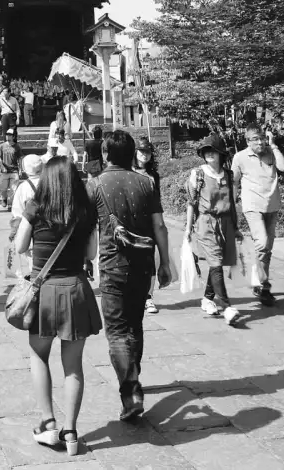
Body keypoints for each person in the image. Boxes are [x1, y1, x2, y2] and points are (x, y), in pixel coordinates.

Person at [13, 157, 100, 455]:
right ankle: (71, 432)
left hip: (43, 291)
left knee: (39, 355)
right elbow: (92, 252)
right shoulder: (85, 210)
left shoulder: (36, 207)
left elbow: (20, 246)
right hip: (75, 289)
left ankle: (48, 424)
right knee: (73, 366)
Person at [88, 129, 171, 421]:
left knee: (117, 332)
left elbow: (87, 229)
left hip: (112, 266)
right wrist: (166, 263)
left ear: (106, 154)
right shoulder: (146, 183)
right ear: (132, 153)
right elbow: (160, 226)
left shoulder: (95, 185)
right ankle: (133, 378)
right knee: (135, 326)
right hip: (143, 264)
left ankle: (131, 391)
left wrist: (87, 258)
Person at [184, 134, 242, 326]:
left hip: (225, 223)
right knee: (216, 262)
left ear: (220, 154)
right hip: (206, 223)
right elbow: (191, 203)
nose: (209, 154)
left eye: (213, 151)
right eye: (206, 151)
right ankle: (226, 306)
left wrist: (236, 226)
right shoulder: (198, 174)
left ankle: (208, 298)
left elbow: (232, 203)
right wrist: (187, 229)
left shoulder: (228, 175)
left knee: (217, 262)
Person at [231, 125, 284, 306]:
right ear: (247, 141)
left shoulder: (271, 153)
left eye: (262, 138)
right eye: (255, 138)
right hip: (253, 206)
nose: (259, 141)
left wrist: (274, 145)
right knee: (262, 243)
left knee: (266, 249)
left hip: (272, 206)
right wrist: (232, 207)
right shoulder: (240, 157)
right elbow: (234, 183)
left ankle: (259, 282)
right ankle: (263, 284)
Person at [134, 137, 163, 315]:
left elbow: (157, 201)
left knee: (150, 261)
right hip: (132, 221)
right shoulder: (129, 172)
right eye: (141, 151)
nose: (145, 155)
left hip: (150, 222)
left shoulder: (154, 175)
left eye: (148, 152)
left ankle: (148, 297)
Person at [9, 153, 43, 242]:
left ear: (25, 169)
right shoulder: (52, 182)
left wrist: (14, 234)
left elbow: (17, 214)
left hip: (30, 233)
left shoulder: (23, 187)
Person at [0, 128, 23, 211]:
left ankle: (11, 204)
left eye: (10, 135)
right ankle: (4, 199)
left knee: (13, 189)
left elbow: (19, 159)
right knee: (2, 188)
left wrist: (20, 169)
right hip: (4, 171)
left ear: (13, 136)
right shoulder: (2, 146)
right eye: (7, 134)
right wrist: (2, 166)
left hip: (14, 170)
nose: (8, 136)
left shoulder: (17, 146)